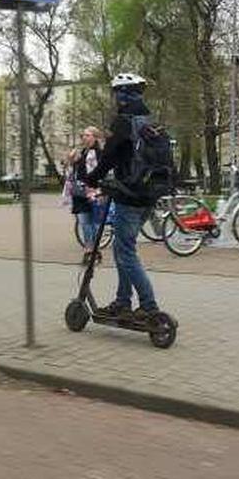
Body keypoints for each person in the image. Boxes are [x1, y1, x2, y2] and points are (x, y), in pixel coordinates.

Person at [84, 73, 160, 321]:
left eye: (117, 92)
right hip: (149, 195)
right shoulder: (148, 119)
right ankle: (122, 302)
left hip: (130, 195)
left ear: (123, 94)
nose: (115, 97)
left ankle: (149, 306)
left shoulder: (124, 121)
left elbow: (109, 157)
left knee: (125, 253)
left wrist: (92, 178)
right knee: (123, 249)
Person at [68, 126, 104, 265]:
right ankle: (89, 249)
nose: (84, 137)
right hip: (81, 192)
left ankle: (93, 249)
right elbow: (77, 171)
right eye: (83, 135)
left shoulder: (99, 153)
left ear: (95, 137)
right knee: (84, 222)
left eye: (88, 135)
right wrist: (72, 160)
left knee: (93, 223)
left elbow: (101, 172)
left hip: (94, 191)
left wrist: (99, 190)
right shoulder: (83, 152)